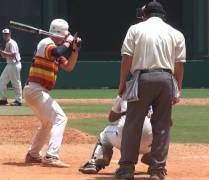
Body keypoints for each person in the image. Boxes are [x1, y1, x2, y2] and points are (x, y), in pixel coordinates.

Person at [115, 1, 186, 180]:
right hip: (166, 80)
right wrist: (178, 88)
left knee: (133, 124)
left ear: (145, 14)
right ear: (162, 15)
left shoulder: (135, 29)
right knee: (162, 126)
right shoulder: (175, 33)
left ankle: (126, 169)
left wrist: (122, 82)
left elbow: (126, 57)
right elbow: (179, 65)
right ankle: (157, 170)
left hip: (142, 78)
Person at [23, 19, 81, 168]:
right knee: (61, 118)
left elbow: (69, 67)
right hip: (36, 89)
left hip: (36, 91)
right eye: (66, 34)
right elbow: (56, 52)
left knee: (47, 123)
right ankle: (51, 156)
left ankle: (33, 154)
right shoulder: (46, 43)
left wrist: (75, 49)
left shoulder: (56, 47)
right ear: (62, 33)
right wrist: (68, 42)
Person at [79, 95, 153, 174]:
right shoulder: (154, 94)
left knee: (105, 133)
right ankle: (155, 163)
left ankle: (94, 163)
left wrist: (124, 113)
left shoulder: (125, 93)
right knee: (158, 133)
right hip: (148, 145)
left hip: (126, 142)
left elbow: (111, 118)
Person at [0, 28, 22, 106]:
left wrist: (2, 51)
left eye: (7, 34)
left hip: (14, 64)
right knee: (2, 80)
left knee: (15, 82)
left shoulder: (12, 43)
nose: (5, 35)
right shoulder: (7, 43)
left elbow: (13, 55)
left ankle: (18, 100)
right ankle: (3, 99)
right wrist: (0, 51)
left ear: (10, 34)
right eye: (4, 34)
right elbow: (4, 56)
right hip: (10, 65)